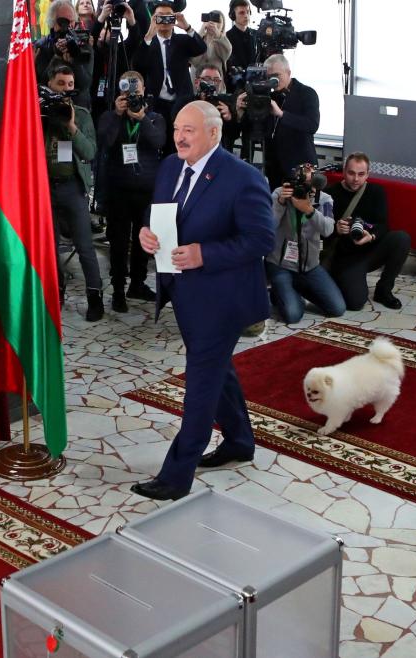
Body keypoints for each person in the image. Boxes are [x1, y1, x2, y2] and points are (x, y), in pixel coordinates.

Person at [131, 101, 274, 500]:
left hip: (221, 300)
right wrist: (147, 231)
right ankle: (240, 442)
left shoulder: (242, 178)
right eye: (178, 128)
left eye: (189, 130)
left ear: (214, 133)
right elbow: (158, 211)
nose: (179, 136)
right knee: (216, 371)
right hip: (183, 292)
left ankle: (176, 477)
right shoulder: (171, 167)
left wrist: (204, 254)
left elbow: (262, 239)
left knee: (201, 384)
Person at [97, 71, 166, 312]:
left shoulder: (155, 117)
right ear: (121, 92)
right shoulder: (110, 116)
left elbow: (158, 141)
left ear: (144, 90)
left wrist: (142, 117)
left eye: (137, 92)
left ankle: (137, 284)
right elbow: (105, 141)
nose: (133, 97)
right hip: (119, 190)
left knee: (142, 240)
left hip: (146, 190)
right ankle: (117, 290)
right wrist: (117, 115)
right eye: (128, 92)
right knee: (117, 242)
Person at [42, 66, 104, 321]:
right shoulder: (39, 114)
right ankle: (56, 292)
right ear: (50, 86)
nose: (67, 89)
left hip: (72, 187)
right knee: (50, 246)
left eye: (70, 84)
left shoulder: (81, 115)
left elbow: (89, 152)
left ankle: (95, 296)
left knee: (85, 246)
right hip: (45, 187)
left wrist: (71, 126)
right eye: (61, 84)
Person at [323, 153, 411, 311]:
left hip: (370, 249)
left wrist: (371, 235)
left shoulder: (376, 191)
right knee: (355, 303)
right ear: (343, 172)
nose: (356, 179)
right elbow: (320, 232)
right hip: (345, 257)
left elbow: (383, 225)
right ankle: (342, 279)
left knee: (401, 238)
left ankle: (383, 290)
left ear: (367, 174)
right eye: (351, 173)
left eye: (361, 174)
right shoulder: (330, 194)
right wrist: (335, 229)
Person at [266, 170, 345, 323]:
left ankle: (289, 290)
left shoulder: (324, 199)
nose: (306, 188)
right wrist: (281, 202)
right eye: (303, 183)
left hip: (310, 266)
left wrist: (309, 210)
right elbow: (269, 226)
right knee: (293, 315)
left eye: (311, 183)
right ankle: (281, 291)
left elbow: (328, 229)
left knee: (337, 308)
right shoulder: (279, 193)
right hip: (280, 264)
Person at [133, 2, 206, 150]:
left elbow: (201, 48)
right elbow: (138, 64)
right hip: (157, 101)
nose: (164, 20)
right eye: (160, 17)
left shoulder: (182, 41)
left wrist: (187, 27)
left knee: (180, 142)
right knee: (159, 141)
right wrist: (149, 34)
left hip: (181, 101)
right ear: (154, 19)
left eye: (168, 17)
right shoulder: (149, 42)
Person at [257, 54, 320, 191]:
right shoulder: (268, 95)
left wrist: (282, 114)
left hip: (301, 166)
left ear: (288, 72)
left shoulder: (307, 93)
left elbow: (312, 125)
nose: (273, 80)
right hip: (274, 167)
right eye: (268, 77)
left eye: (277, 75)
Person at [35, 0, 94, 109]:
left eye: (71, 21)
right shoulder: (41, 46)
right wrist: (56, 56)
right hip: (50, 109)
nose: (68, 26)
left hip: (78, 108)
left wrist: (74, 60)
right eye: (63, 22)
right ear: (52, 22)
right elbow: (41, 83)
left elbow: (85, 84)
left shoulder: (83, 43)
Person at [225, 0, 257, 88]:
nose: (246, 16)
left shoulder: (256, 35)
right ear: (233, 15)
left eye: (248, 12)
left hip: (256, 84)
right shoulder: (226, 37)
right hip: (235, 87)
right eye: (241, 13)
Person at [189, 11, 232, 76]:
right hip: (197, 80)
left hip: (216, 81)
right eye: (212, 20)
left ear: (223, 25)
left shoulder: (223, 41)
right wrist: (201, 32)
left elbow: (227, 53)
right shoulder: (200, 38)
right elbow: (192, 59)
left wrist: (218, 35)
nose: (215, 24)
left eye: (218, 21)